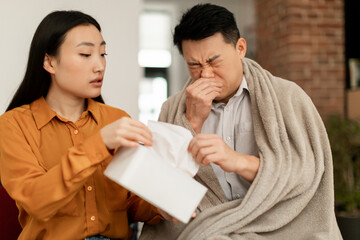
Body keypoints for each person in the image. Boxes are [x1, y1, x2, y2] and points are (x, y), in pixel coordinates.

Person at [139, 3, 342, 240]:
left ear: (240, 48)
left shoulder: (288, 97)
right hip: (205, 229)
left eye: (214, 62)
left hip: (279, 226)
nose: (205, 74)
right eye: (194, 65)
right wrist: (191, 123)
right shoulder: (173, 108)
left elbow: (306, 175)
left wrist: (236, 161)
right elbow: (161, 189)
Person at [0, 11, 164, 240]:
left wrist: (162, 205)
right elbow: (36, 201)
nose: (99, 66)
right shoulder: (13, 125)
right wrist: (98, 144)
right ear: (49, 62)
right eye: (85, 54)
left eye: (103, 54)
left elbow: (129, 204)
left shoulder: (117, 119)